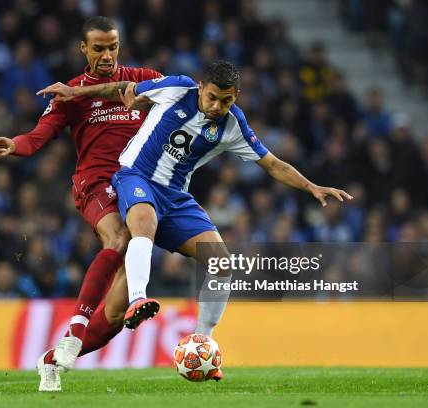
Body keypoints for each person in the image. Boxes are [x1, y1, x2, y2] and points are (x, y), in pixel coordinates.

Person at [42, 60, 353, 380]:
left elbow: (272, 164)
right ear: (201, 88)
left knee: (219, 263)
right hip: (136, 177)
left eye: (227, 101)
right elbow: (121, 88)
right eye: (213, 98)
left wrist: (311, 186)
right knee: (144, 224)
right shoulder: (177, 88)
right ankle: (139, 298)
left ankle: (203, 342)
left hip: (176, 198)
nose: (218, 106)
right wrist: (76, 91)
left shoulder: (233, 125)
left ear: (237, 97)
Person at [0, 16, 161, 392]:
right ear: (84, 49)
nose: (107, 55)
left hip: (138, 186)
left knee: (115, 314)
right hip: (95, 183)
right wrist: (14, 145)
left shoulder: (142, 77)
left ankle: (53, 357)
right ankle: (76, 327)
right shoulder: (71, 92)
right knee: (118, 238)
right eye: (98, 48)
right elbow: (37, 137)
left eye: (112, 46)